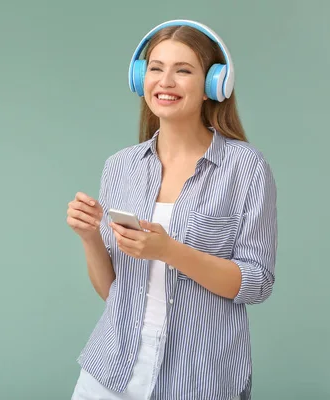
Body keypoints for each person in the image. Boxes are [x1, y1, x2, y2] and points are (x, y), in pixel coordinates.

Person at [66, 20, 277, 400]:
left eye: (183, 71)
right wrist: (89, 238)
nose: (165, 81)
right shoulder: (121, 166)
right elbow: (114, 291)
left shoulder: (246, 168)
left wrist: (169, 251)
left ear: (215, 85)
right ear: (139, 78)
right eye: (156, 68)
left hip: (199, 378)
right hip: (110, 372)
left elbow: (257, 283)